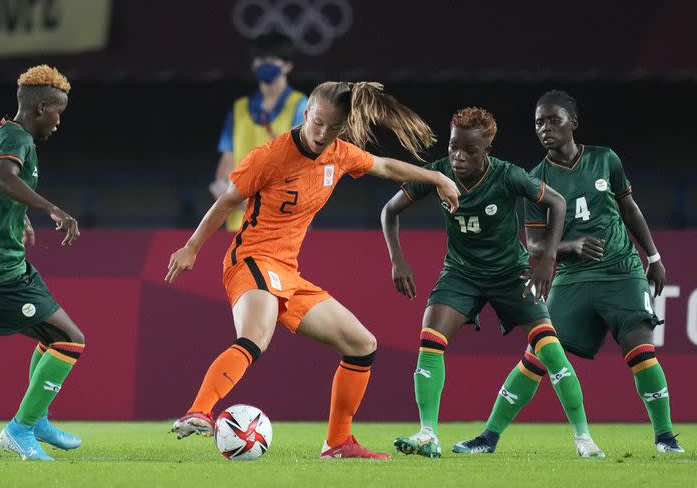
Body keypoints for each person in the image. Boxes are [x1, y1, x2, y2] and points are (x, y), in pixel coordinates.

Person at [165, 81, 461, 460]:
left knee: (362, 345)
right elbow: (226, 202)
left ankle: (338, 443)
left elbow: (385, 166)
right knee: (256, 337)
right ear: (306, 114)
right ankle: (199, 411)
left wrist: (438, 177)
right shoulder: (269, 157)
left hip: (288, 273)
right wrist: (192, 247)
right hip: (251, 260)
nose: (323, 134)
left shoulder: (339, 155)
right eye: (317, 123)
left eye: (333, 128)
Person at [455, 90, 684, 454]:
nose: (545, 128)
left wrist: (653, 257)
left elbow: (629, 209)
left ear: (572, 123)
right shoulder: (535, 178)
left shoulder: (605, 159)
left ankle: (666, 438)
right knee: (536, 355)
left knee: (641, 351)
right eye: (538, 122)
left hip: (621, 270)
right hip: (572, 278)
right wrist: (571, 247)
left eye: (553, 120)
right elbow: (533, 244)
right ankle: (488, 437)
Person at [382, 107, 604, 459]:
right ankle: (427, 433)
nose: (458, 156)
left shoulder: (508, 176)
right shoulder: (438, 174)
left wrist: (546, 258)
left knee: (549, 350)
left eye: (469, 150)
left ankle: (584, 438)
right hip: (460, 274)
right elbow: (389, 211)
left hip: (510, 274)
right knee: (429, 338)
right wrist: (398, 260)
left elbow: (557, 203)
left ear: (487, 150)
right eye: (454, 146)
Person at [0, 65, 84, 461]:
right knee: (70, 341)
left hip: (6, 264)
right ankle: (21, 428)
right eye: (57, 112)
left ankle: (36, 419)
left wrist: (15, 212)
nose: (59, 122)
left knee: (56, 337)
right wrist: (51, 209)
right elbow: (1, 179)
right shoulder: (19, 138)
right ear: (41, 107)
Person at [210, 32, 308, 231]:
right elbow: (223, 173)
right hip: (240, 228)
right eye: (260, 59)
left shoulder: (302, 107)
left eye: (272, 59)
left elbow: (303, 171)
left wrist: (238, 199)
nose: (265, 64)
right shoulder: (239, 109)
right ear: (253, 65)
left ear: (288, 65)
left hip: (284, 226)